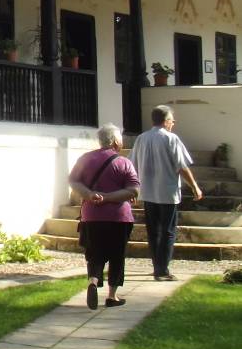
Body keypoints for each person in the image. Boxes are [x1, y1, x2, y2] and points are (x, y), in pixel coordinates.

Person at [69, 123, 140, 309]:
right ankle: (112, 296)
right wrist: (109, 197)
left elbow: (73, 180)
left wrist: (89, 194)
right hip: (119, 218)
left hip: (91, 216)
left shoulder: (85, 159)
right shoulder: (123, 162)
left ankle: (93, 281)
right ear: (116, 141)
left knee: (95, 254)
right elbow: (134, 189)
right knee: (117, 255)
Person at [131, 105, 203, 281]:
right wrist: (194, 185)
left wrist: (133, 188)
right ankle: (162, 270)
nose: (173, 123)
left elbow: (133, 165)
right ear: (166, 121)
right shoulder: (171, 138)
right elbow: (182, 166)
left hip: (148, 192)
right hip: (167, 192)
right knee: (168, 231)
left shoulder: (141, 138)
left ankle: (158, 266)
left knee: (153, 231)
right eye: (172, 120)